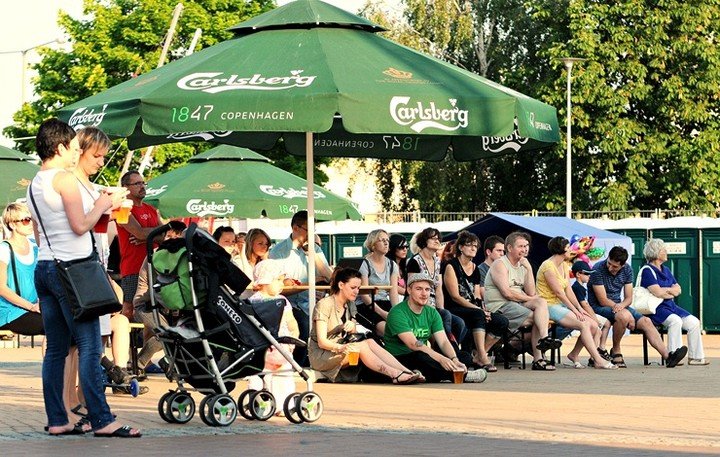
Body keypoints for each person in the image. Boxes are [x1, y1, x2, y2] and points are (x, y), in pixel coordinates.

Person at [27, 118, 140, 437]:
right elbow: (80, 224)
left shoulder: (35, 182)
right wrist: (105, 203)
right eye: (74, 148)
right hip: (74, 270)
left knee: (56, 350)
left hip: (46, 267)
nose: (76, 153)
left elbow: (41, 229)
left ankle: (58, 420)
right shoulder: (63, 179)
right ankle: (103, 420)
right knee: (91, 346)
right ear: (61, 147)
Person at [308, 268, 422, 384]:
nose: (356, 291)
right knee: (361, 346)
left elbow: (354, 335)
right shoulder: (324, 304)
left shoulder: (350, 303)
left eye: (358, 288)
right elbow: (322, 342)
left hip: (342, 347)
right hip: (321, 355)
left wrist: (352, 326)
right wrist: (341, 348)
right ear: (341, 285)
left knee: (370, 342)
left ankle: (407, 371)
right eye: (353, 288)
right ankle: (395, 374)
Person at [587, 246, 687, 368]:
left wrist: (623, 306)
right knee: (623, 316)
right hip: (598, 307)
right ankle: (616, 350)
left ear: (622, 265)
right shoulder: (598, 269)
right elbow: (602, 300)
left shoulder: (627, 270)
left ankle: (668, 357)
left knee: (646, 321)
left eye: (615, 266)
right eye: (609, 263)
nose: (610, 267)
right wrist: (623, 311)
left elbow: (629, 297)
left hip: (619, 306)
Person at [384, 273, 487, 383]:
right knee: (422, 357)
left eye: (427, 289)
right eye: (419, 289)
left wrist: (454, 359)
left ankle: (424, 374)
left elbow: (443, 341)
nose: (424, 294)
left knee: (463, 356)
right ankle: (462, 375)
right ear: (409, 290)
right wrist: (441, 359)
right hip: (400, 358)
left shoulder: (432, 312)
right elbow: (413, 344)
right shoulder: (397, 312)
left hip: (423, 353)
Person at [535, 237, 617, 369]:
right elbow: (559, 293)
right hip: (548, 305)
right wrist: (574, 310)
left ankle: (576, 354)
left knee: (593, 325)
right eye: (568, 247)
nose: (571, 250)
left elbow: (568, 289)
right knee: (583, 324)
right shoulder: (548, 266)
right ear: (560, 249)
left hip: (560, 304)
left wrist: (579, 308)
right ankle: (598, 359)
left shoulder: (563, 265)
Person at [483, 232, 559, 371]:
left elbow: (530, 292)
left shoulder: (523, 265)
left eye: (526, 246)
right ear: (510, 248)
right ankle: (539, 357)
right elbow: (507, 293)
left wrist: (529, 269)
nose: (524, 249)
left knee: (541, 304)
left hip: (517, 304)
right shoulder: (500, 264)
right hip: (500, 305)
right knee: (539, 317)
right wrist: (531, 299)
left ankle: (543, 340)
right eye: (521, 246)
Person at [269, 210, 333, 366]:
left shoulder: (314, 249)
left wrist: (313, 253)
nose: (311, 234)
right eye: (308, 230)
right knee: (304, 326)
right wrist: (309, 283)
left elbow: (329, 277)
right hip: (289, 303)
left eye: (313, 230)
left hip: (312, 301)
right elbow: (278, 285)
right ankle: (298, 366)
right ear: (295, 228)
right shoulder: (279, 252)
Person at [442, 231, 508, 372]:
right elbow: (455, 296)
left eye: (475, 246)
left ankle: (478, 354)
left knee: (501, 321)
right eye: (469, 245)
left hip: (472, 307)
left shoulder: (475, 268)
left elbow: (477, 295)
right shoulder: (451, 266)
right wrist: (478, 310)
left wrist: (483, 309)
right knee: (478, 315)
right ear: (460, 247)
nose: (473, 248)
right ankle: (483, 358)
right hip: (454, 307)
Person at [132, 220, 187, 375]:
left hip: (168, 307)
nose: (173, 240)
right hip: (145, 304)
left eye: (177, 237)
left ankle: (168, 362)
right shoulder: (156, 257)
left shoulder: (180, 258)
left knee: (186, 330)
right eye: (169, 236)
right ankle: (137, 364)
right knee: (168, 334)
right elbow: (158, 291)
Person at [641, 239, 708, 365]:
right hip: (656, 309)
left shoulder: (665, 269)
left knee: (694, 322)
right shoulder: (647, 271)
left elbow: (678, 289)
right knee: (675, 321)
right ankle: (674, 356)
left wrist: (667, 290)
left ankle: (695, 358)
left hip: (671, 306)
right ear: (656, 253)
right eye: (663, 250)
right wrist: (669, 290)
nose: (666, 252)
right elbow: (657, 293)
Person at [245, 259, 300, 411]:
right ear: (264, 281)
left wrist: (293, 338)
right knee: (268, 376)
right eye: (278, 280)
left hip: (277, 346)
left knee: (277, 376)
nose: (281, 284)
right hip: (268, 347)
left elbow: (292, 323)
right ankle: (264, 402)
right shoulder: (254, 302)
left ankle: (276, 404)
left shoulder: (281, 301)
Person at [406, 227, 466, 347]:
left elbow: (439, 289)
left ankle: (446, 349)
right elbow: (413, 289)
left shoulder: (438, 261)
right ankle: (450, 350)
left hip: (434, 304)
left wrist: (441, 308)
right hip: (418, 304)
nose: (437, 241)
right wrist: (434, 311)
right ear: (424, 241)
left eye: (438, 238)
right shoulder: (415, 261)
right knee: (445, 316)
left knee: (459, 323)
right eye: (433, 238)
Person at [116, 170, 161, 321]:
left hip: (154, 267)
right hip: (133, 268)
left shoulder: (151, 209)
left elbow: (163, 237)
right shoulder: (123, 209)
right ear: (125, 187)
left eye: (143, 183)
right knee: (129, 309)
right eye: (137, 183)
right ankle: (124, 342)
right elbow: (140, 233)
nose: (142, 186)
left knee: (152, 310)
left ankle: (147, 344)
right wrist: (152, 235)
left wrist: (147, 237)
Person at [0, 203, 44, 336]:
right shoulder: (4, 249)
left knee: (70, 326)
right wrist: (31, 306)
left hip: (34, 307)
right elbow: (1, 288)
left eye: (31, 219)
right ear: (12, 224)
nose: (30, 223)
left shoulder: (35, 248)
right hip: (10, 311)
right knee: (55, 326)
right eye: (25, 220)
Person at [356, 229, 400, 336]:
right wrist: (383, 313)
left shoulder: (392, 264)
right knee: (387, 331)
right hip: (366, 305)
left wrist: (396, 312)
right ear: (373, 244)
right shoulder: (365, 264)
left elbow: (393, 292)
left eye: (387, 240)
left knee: (402, 328)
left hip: (384, 302)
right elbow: (364, 295)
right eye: (382, 240)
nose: (386, 243)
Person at [569, 260, 611, 362]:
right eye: (587, 274)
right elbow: (585, 305)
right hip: (581, 314)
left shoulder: (580, 287)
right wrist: (594, 319)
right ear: (578, 274)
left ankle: (598, 351)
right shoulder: (577, 287)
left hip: (584, 313)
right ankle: (595, 356)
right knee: (597, 330)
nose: (589, 276)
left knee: (603, 326)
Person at [477, 235, 505, 300]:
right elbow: (485, 295)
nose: (502, 254)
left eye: (503, 251)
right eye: (499, 250)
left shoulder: (504, 268)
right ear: (488, 252)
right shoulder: (480, 270)